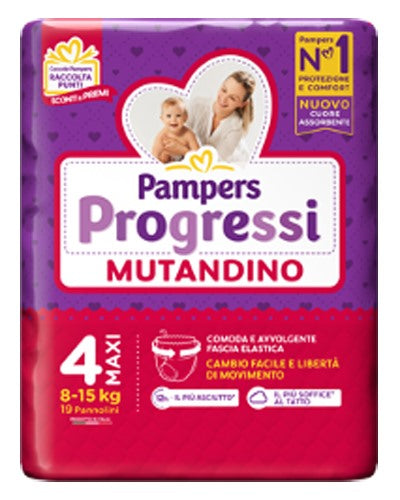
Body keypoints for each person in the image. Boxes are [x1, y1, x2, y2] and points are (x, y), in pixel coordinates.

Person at [161, 71, 256, 166]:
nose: (223, 99)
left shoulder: (236, 128)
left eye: (232, 98)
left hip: (229, 167)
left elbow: (213, 165)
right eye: (224, 90)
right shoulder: (197, 105)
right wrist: (170, 154)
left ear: (242, 104)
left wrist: (184, 151)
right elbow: (177, 135)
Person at [152, 97, 200, 163]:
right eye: (169, 116)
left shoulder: (189, 135)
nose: (173, 119)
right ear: (162, 119)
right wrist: (161, 159)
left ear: (185, 118)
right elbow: (154, 155)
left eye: (178, 115)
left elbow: (198, 156)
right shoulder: (162, 136)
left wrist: (184, 151)